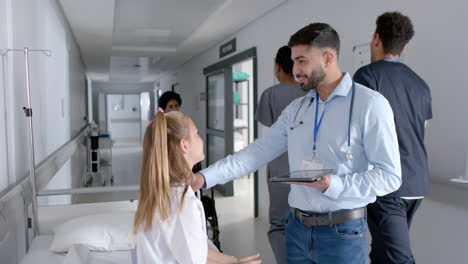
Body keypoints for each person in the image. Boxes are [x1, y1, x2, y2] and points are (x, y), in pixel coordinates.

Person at [192, 22, 402, 264]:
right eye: (293, 62)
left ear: (328, 57)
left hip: (342, 235)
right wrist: (204, 178)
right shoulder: (297, 109)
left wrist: (334, 184)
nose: (294, 70)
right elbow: (256, 153)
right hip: (296, 230)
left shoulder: (370, 105)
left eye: (302, 61)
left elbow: (390, 176)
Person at [354, 12, 432, 264]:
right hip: (417, 183)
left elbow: (356, 131)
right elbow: (422, 130)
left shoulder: (366, 76)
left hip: (388, 184)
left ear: (376, 38)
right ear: (404, 45)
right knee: (382, 250)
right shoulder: (420, 84)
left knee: (398, 257)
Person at [134, 111, 262, 264]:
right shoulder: (183, 204)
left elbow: (196, 248)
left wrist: (233, 261)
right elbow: (196, 260)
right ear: (184, 145)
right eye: (197, 134)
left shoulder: (162, 192)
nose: (201, 139)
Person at [254, 45, 306, 264]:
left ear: (278, 68)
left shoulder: (270, 94)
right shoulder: (309, 92)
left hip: (279, 168)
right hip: (306, 167)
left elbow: (266, 121)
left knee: (278, 225)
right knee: (304, 220)